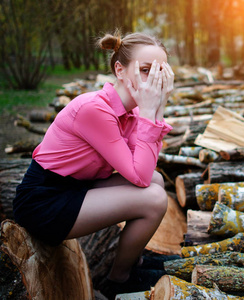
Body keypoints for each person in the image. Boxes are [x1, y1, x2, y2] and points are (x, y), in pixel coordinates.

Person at [13, 30, 176, 299]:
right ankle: (118, 280)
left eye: (160, 71)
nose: (154, 81)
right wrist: (151, 113)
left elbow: (146, 171)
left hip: (77, 189)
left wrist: (155, 111)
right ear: (120, 70)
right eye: (146, 70)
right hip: (44, 202)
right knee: (154, 198)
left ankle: (134, 261)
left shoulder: (133, 112)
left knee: (158, 182)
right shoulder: (94, 109)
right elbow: (139, 177)